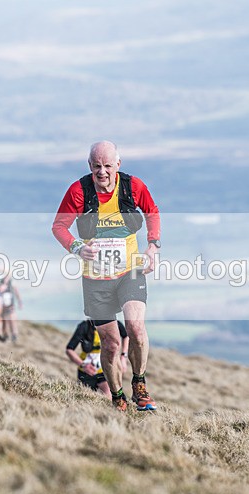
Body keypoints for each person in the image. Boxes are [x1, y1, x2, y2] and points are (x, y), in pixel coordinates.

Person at [52, 140, 161, 411]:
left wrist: (153, 245)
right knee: (111, 344)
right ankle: (117, 396)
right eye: (97, 166)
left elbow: (152, 212)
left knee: (136, 328)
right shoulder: (78, 191)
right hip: (95, 280)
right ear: (90, 166)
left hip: (129, 272)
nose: (102, 172)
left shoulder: (133, 187)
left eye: (108, 166)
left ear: (118, 165)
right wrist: (76, 247)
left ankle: (139, 383)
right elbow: (59, 226)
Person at [66, 319, 129, 397]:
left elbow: (125, 336)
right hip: (86, 372)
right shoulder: (84, 326)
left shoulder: (114, 324)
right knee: (86, 398)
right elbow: (69, 349)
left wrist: (123, 357)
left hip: (106, 370)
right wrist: (83, 365)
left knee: (109, 395)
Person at [0, 277, 22, 343]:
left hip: (11, 306)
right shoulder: (0, 282)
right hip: (3, 307)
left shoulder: (12, 283)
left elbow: (17, 292)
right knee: (4, 322)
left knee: (13, 321)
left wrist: (20, 302)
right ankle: (6, 336)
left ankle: (14, 335)